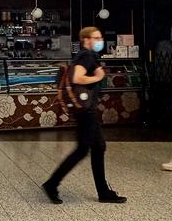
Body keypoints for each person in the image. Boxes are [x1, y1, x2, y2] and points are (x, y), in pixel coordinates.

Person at [42, 27, 127, 204]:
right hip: (86, 111)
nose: (100, 40)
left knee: (98, 147)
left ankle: (103, 192)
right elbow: (76, 78)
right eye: (96, 38)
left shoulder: (87, 56)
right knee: (82, 150)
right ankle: (52, 184)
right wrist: (98, 76)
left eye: (100, 37)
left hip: (87, 109)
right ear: (86, 40)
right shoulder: (86, 56)